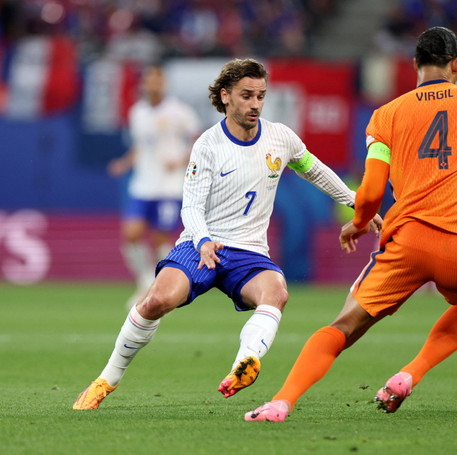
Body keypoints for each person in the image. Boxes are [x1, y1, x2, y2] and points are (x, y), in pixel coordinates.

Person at [245, 27, 457, 422]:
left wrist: (358, 221)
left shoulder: (386, 116)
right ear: (455, 64)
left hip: (406, 245)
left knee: (344, 326)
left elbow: (370, 190)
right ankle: (411, 372)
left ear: (415, 65)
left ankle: (281, 402)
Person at [73, 58, 382, 410]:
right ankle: (106, 379)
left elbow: (316, 171)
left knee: (276, 293)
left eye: (261, 96)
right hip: (200, 243)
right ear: (226, 96)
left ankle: (246, 361)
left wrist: (359, 205)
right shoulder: (208, 145)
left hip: (249, 252)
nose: (255, 104)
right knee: (157, 300)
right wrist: (203, 240)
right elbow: (190, 206)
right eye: (247, 95)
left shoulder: (281, 138)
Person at [108, 65, 202, 309]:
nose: (153, 85)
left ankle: (164, 289)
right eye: (149, 81)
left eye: (157, 81)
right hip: (143, 185)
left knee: (161, 238)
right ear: (143, 85)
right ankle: (144, 281)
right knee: (131, 235)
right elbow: (140, 147)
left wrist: (182, 159)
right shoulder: (137, 113)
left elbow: (198, 139)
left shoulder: (179, 111)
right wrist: (124, 162)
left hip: (169, 187)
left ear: (164, 84)